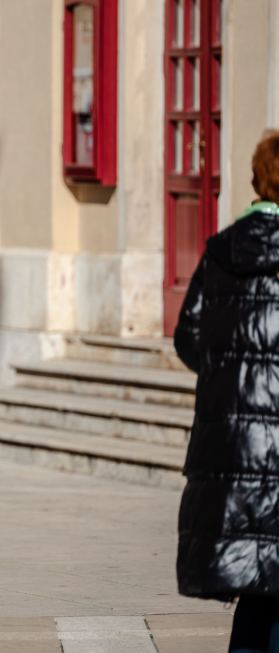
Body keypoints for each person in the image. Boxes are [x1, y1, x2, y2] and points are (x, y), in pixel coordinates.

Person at [174, 130, 279, 653]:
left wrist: (232, 378)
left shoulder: (220, 251)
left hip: (236, 445)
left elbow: (188, 337)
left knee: (256, 593)